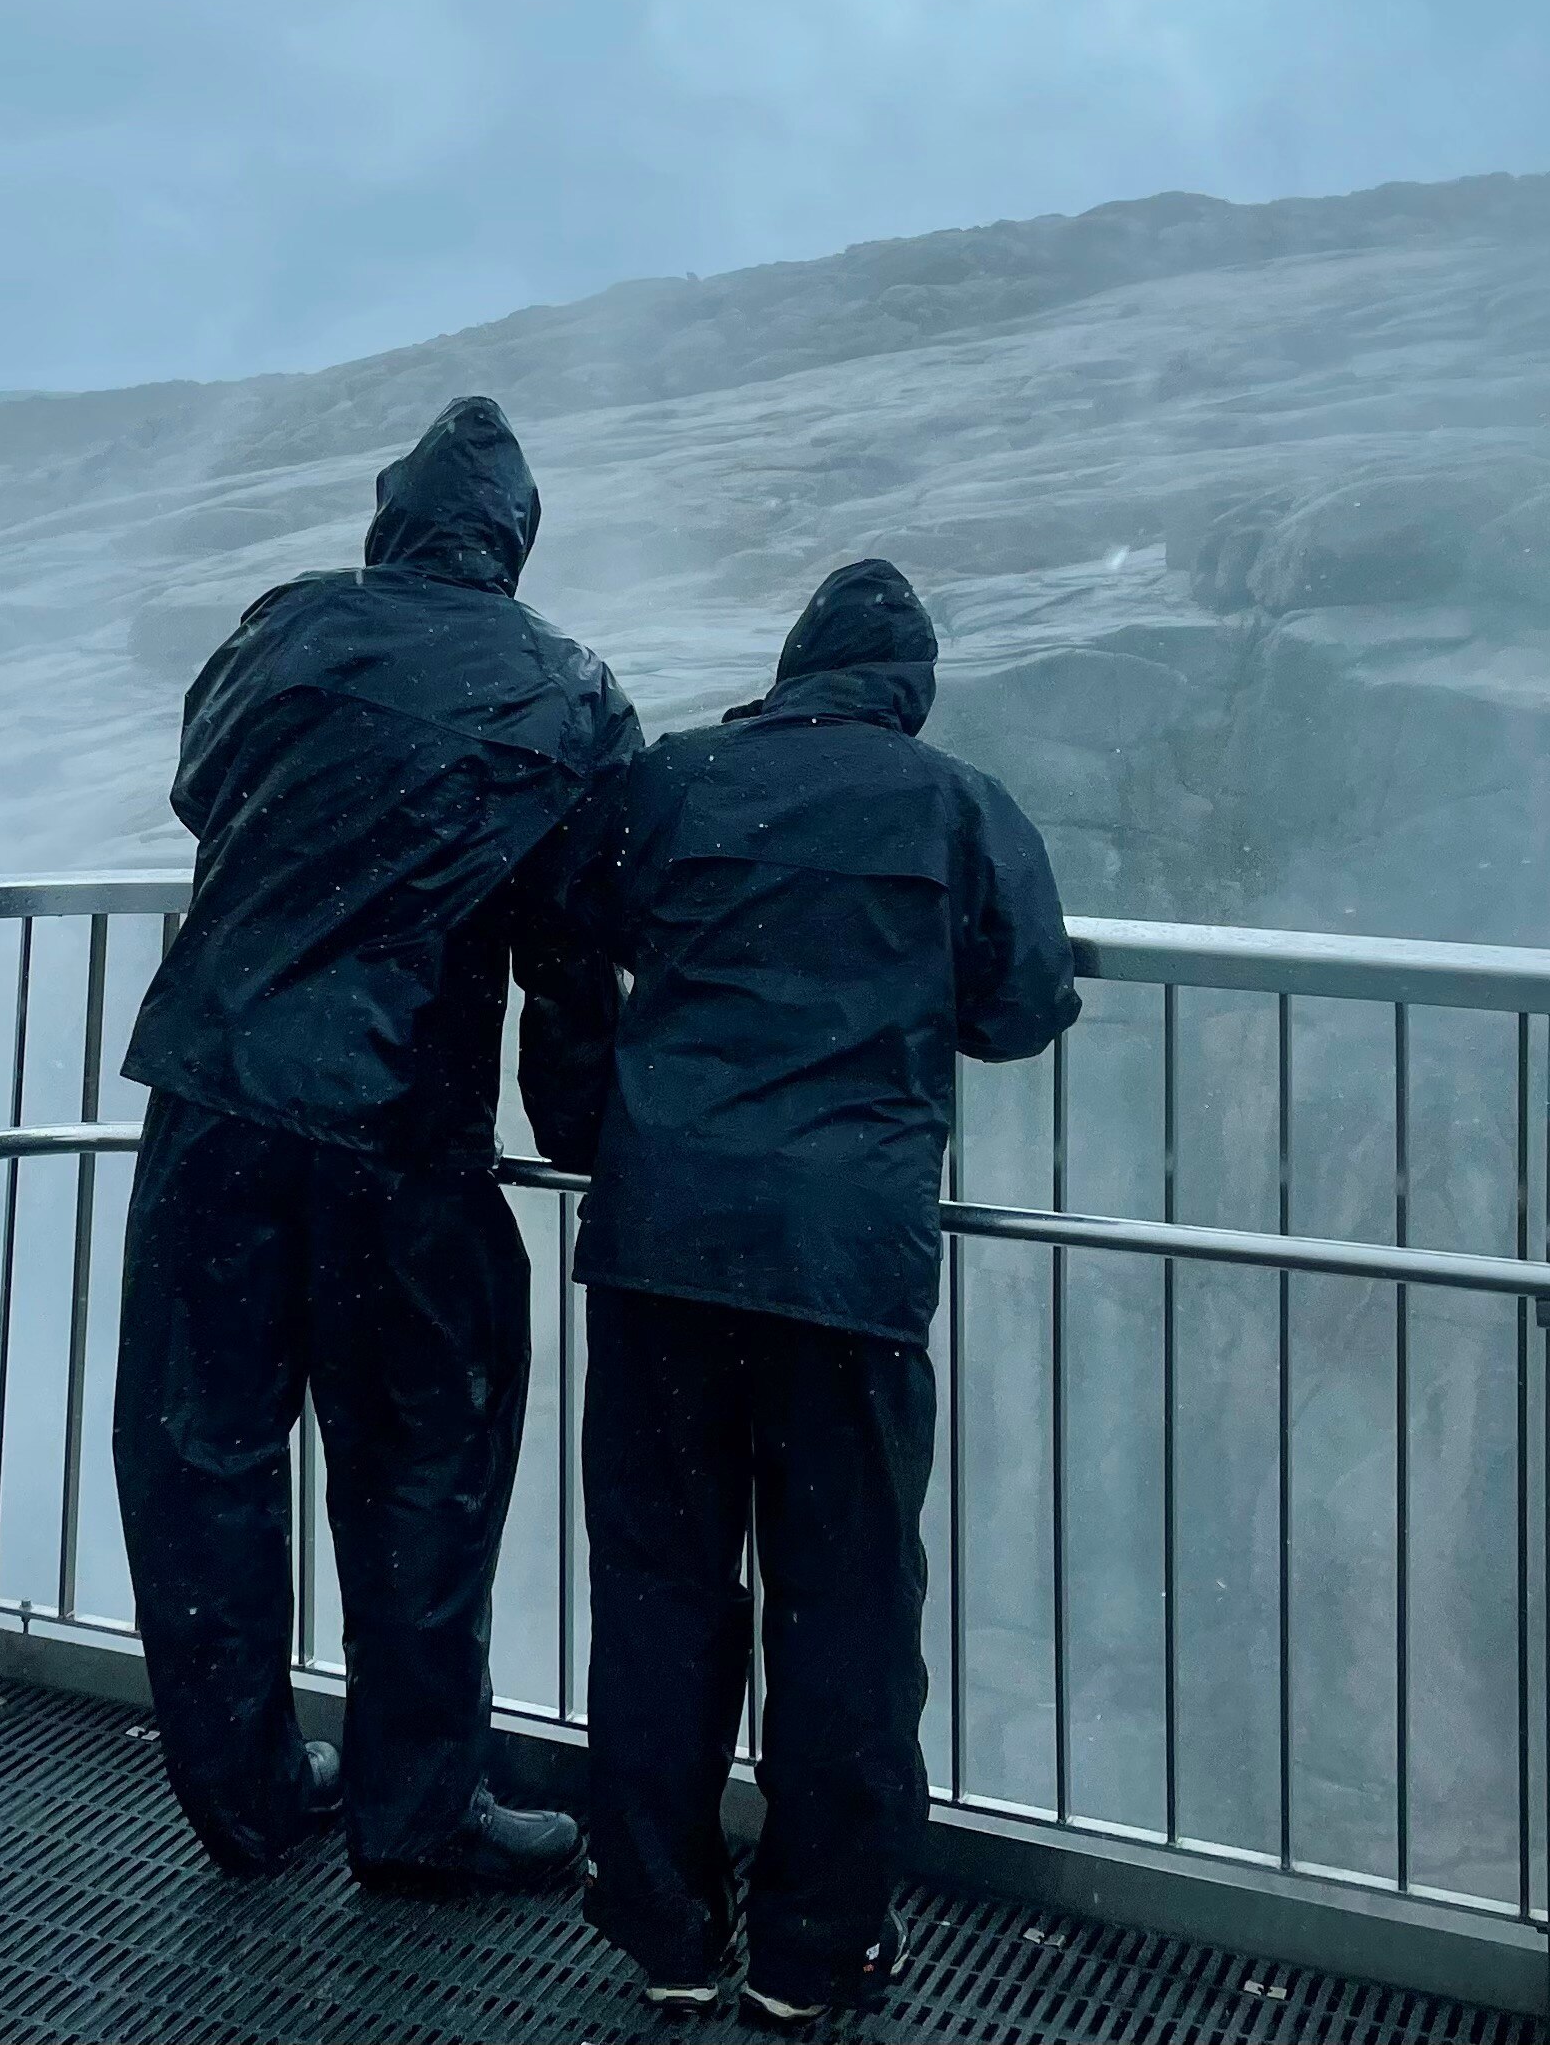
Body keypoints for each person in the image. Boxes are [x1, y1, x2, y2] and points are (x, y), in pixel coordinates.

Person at [534, 557, 1079, 2023]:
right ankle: (814, 1946)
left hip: (661, 1252)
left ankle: (658, 1927)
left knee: (659, 1588)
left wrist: (586, 1128)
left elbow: (566, 942)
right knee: (839, 1607)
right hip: (843, 1267)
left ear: (788, 668)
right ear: (906, 694)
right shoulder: (957, 806)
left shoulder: (672, 781)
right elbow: (1021, 1011)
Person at [114, 395, 640, 1889]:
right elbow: (571, 945)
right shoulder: (571, 691)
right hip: (401, 1134)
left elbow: (199, 789)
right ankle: (419, 1818)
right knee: (422, 1468)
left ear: (386, 518)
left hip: (213, 1102)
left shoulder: (283, 626)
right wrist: (587, 1136)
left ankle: (247, 1798)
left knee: (198, 1454)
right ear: (513, 546)